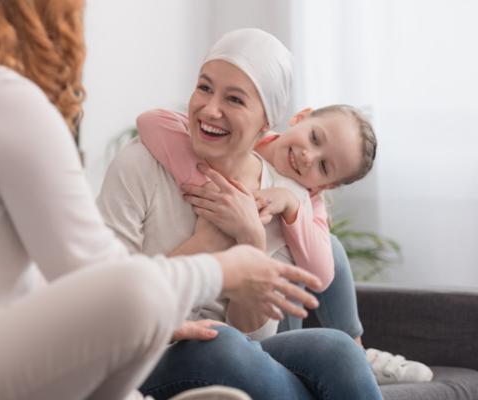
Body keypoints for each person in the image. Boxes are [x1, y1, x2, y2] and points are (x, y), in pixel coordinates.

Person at [0, 2, 328, 400]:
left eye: (236, 98)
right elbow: (109, 286)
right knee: (147, 310)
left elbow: (36, 285)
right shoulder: (1, 99)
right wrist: (227, 268)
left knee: (327, 350)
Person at [98, 28, 383, 399]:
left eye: (234, 99)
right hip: (142, 354)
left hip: (236, 351)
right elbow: (105, 301)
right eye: (204, 88)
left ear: (267, 122)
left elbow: (255, 336)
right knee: (222, 345)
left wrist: (251, 239)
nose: (210, 109)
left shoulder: (280, 197)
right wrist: (205, 244)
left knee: (340, 351)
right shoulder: (140, 163)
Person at [136, 86, 432, 388]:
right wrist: (209, 183)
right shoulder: (240, 140)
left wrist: (291, 204)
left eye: (323, 166)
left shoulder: (305, 195)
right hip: (229, 320)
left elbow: (321, 274)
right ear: (300, 117)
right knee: (328, 247)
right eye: (314, 138)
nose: (308, 156)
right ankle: (351, 354)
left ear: (324, 186)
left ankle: (355, 350)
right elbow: (150, 120)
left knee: (328, 247)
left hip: (271, 320)